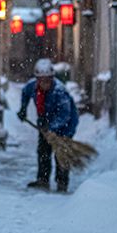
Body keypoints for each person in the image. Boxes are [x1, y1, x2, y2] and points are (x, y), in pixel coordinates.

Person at [17, 58, 79, 192]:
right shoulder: (32, 86)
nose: (44, 83)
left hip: (66, 125)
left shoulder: (59, 91)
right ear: (37, 79)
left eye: (47, 80)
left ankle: (62, 183)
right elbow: (25, 93)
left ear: (52, 78)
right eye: (41, 80)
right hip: (45, 122)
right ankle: (43, 179)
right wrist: (23, 108)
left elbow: (65, 114)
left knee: (61, 154)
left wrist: (52, 128)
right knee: (43, 151)